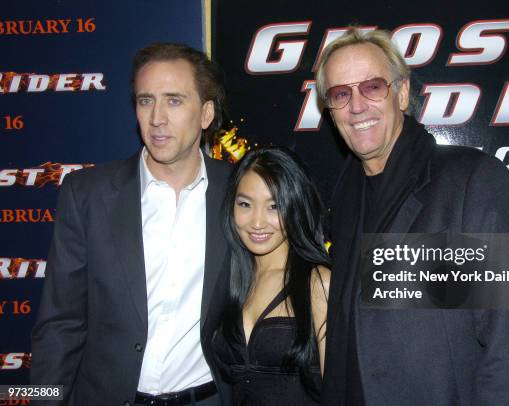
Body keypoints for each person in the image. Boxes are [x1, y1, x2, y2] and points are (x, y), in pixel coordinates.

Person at [315, 29, 509, 405]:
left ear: (402, 93)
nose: (357, 105)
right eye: (341, 94)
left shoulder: (474, 181)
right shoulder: (344, 194)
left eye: (372, 87)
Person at [31, 43, 232, 406]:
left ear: (205, 114)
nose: (156, 118)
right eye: (145, 101)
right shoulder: (87, 194)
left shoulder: (240, 194)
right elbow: (60, 324)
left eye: (174, 101)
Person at [210, 147, 330, 405]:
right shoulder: (231, 279)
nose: (256, 222)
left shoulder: (319, 283)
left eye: (274, 206)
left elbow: (341, 390)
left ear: (295, 205)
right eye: (245, 204)